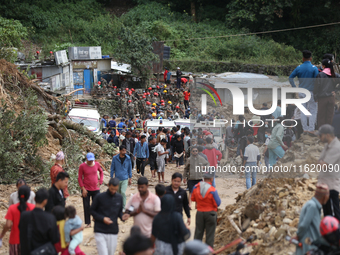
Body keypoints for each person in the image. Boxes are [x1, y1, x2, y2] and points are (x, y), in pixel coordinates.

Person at [90, 178, 127, 255]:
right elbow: (91, 210)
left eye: (115, 189)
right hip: (100, 230)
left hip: (113, 230)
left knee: (110, 253)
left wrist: (122, 217)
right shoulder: (99, 197)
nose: (113, 191)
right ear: (108, 185)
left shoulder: (119, 198)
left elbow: (119, 212)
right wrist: (102, 219)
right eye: (112, 189)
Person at [19, 188, 60, 255]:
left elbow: (21, 231)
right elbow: (55, 239)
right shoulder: (50, 218)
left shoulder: (24, 216)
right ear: (45, 201)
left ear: (34, 199)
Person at [289, 50, 319, 133]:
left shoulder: (299, 68)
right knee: (313, 110)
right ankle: (311, 129)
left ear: (303, 58)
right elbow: (318, 80)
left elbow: (290, 78)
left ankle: (305, 129)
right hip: (311, 91)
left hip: (301, 91)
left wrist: (295, 88)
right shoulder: (314, 68)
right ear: (311, 58)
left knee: (303, 110)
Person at [295, 183, 330, 255]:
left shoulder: (312, 205)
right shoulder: (312, 206)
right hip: (308, 245)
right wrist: (297, 236)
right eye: (328, 195)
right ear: (324, 196)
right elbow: (304, 225)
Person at [0, 186, 35, 255]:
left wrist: (1, 236)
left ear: (18, 195)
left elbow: (8, 225)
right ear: (28, 196)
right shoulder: (33, 208)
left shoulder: (12, 208)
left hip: (15, 240)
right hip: (29, 240)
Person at [317, 124, 340, 221]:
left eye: (321, 135)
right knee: (326, 211)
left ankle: (336, 233)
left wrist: (321, 163)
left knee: (334, 211)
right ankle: (329, 233)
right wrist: (321, 162)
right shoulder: (327, 145)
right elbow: (320, 160)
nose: (319, 137)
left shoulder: (336, 147)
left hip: (331, 185)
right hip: (324, 183)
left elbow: (324, 164)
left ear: (327, 135)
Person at [191, 173, 221, 248]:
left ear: (203, 179)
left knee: (198, 232)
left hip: (200, 213)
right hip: (211, 213)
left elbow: (192, 198)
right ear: (211, 179)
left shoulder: (196, 187)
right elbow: (218, 203)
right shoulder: (212, 190)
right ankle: (208, 251)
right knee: (210, 234)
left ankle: (195, 250)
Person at [78, 152, 104, 228]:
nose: (91, 161)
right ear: (86, 159)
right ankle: (88, 223)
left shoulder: (97, 164)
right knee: (86, 206)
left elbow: (101, 172)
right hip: (86, 189)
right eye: (89, 160)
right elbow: (79, 177)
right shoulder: (82, 166)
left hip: (96, 188)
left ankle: (96, 218)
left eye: (92, 160)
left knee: (97, 205)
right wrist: (82, 188)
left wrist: (101, 181)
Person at [314, 59, 340, 127]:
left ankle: (322, 133)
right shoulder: (335, 74)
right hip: (331, 98)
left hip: (322, 98)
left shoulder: (320, 75)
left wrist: (315, 97)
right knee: (330, 116)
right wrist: (336, 90)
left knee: (321, 116)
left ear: (324, 66)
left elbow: (316, 88)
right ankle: (329, 133)